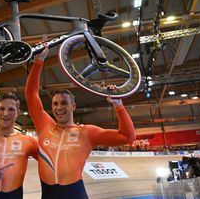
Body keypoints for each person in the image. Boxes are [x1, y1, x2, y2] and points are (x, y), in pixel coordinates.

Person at [25, 45, 135, 199]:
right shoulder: (45, 125)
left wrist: (119, 106)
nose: (59, 107)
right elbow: (31, 94)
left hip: (75, 193)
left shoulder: (87, 132)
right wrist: (39, 62)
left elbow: (127, 137)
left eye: (64, 103)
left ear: (73, 106)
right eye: (55, 104)